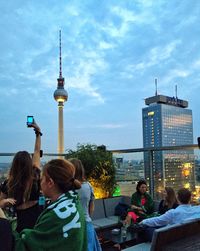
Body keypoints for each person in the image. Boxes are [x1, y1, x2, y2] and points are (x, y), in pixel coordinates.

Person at [14, 158, 87, 251]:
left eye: (42, 179)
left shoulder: (55, 216)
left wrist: (5, 226)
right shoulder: (74, 202)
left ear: (50, 183)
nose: (40, 183)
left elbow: (29, 245)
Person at [0, 121, 43, 232]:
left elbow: (0, 203)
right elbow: (37, 151)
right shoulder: (35, 176)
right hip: (37, 220)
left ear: (14, 165)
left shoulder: (9, 183)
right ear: (29, 164)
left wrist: (4, 203)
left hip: (19, 222)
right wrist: (38, 133)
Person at [70, 158, 102, 251]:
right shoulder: (88, 185)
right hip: (87, 223)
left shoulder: (68, 188)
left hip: (73, 226)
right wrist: (88, 217)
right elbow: (91, 206)